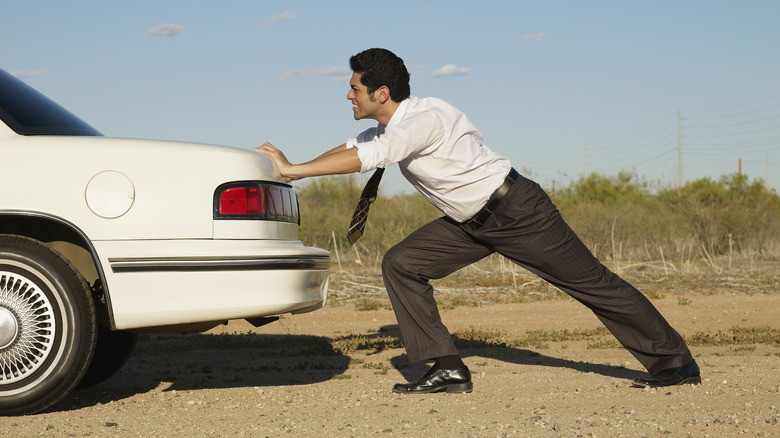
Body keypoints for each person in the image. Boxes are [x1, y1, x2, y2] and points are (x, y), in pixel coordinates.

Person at [256, 48, 700, 394]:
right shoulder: (389, 126)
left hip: (517, 211)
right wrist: (292, 165)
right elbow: (351, 147)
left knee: (592, 285)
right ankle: (446, 367)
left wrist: (293, 172)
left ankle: (675, 363)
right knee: (403, 263)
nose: (347, 94)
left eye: (354, 87)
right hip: (468, 223)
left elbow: (369, 156)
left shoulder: (422, 119)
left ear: (381, 92)